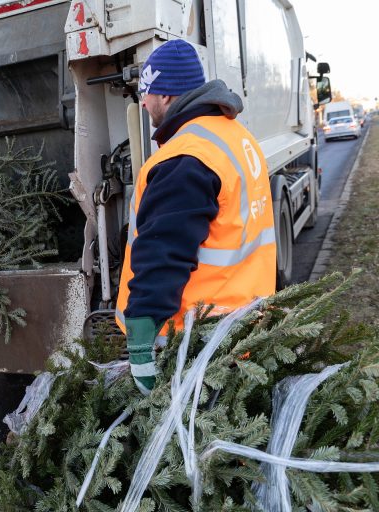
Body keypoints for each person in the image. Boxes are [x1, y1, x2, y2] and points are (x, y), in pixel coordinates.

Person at [115, 39, 276, 395]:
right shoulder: (236, 137)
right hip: (242, 326)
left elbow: (162, 256)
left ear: (168, 96)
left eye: (147, 93)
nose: (143, 102)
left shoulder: (185, 158)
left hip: (197, 342)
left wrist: (141, 344)